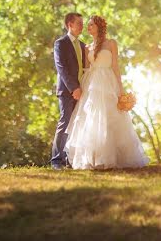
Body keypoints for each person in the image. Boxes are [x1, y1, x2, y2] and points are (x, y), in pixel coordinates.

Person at [64, 15, 149, 169]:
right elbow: (85, 69)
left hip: (109, 82)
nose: (87, 28)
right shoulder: (87, 47)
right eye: (87, 25)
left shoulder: (111, 43)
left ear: (99, 27)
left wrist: (120, 87)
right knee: (92, 118)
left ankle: (115, 158)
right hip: (92, 84)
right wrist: (81, 88)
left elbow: (115, 66)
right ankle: (94, 158)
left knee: (112, 117)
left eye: (90, 25)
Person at [50, 12, 87, 170]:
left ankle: (70, 159)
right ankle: (57, 161)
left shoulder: (83, 45)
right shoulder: (61, 43)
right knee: (65, 122)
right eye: (79, 23)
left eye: (82, 23)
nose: (82, 26)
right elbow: (62, 68)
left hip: (83, 92)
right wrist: (74, 88)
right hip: (67, 91)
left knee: (78, 125)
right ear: (69, 24)